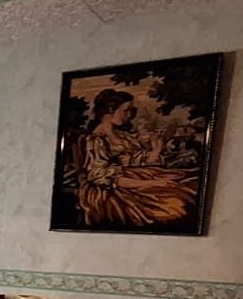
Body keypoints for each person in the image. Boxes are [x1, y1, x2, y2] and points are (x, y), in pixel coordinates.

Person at [71, 89, 197, 227]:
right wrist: (151, 183)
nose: (130, 115)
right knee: (176, 204)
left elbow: (136, 160)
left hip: (139, 177)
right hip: (116, 188)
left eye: (132, 110)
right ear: (110, 110)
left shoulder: (123, 136)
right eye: (126, 110)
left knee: (189, 186)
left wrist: (156, 150)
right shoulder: (95, 140)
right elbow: (100, 175)